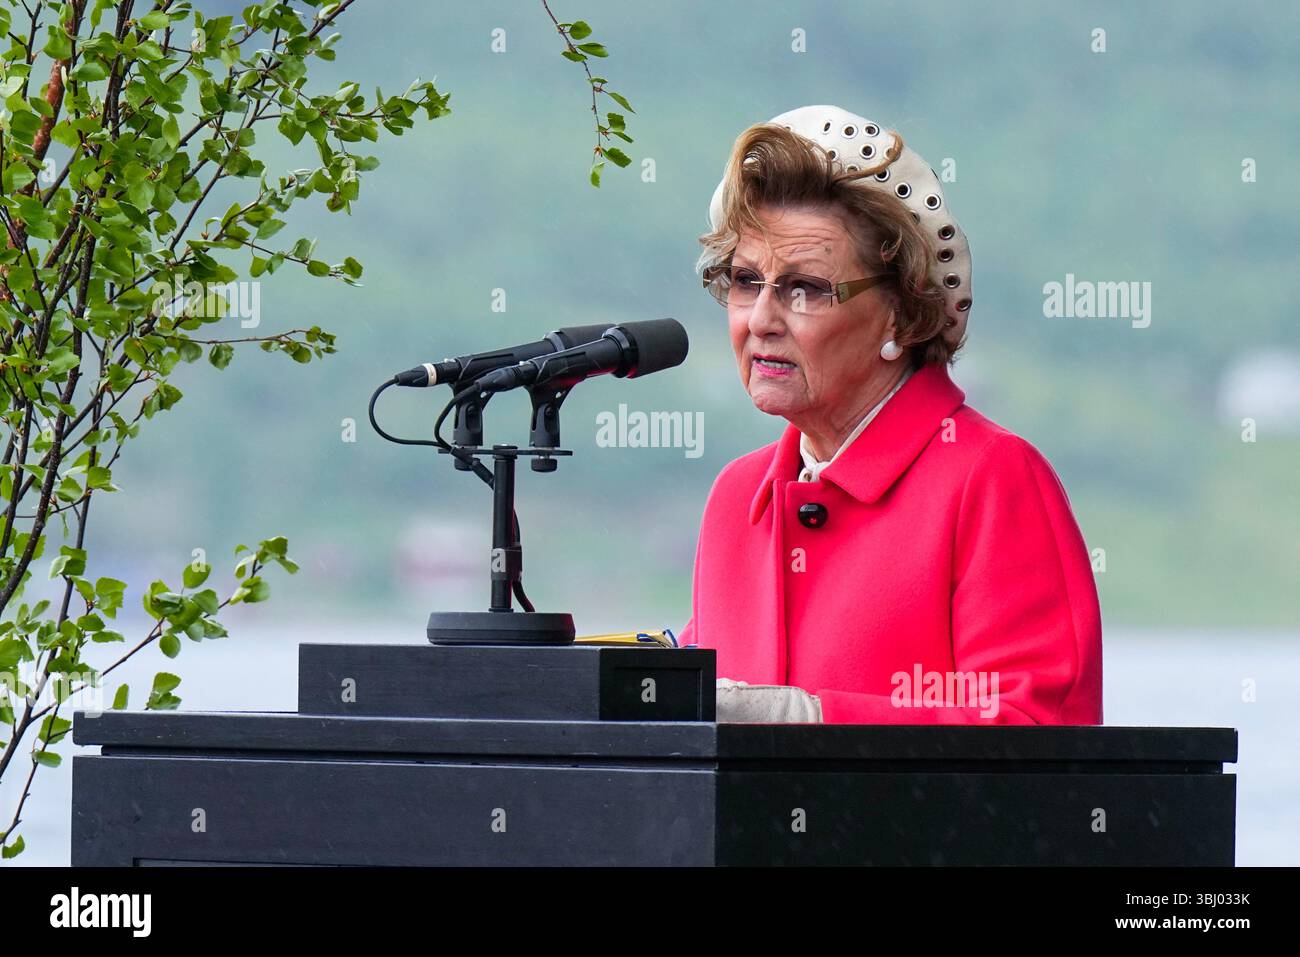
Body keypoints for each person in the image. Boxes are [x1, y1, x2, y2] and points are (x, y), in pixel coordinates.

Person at [678, 105, 1102, 725]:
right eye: (744, 281)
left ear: (900, 315)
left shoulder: (992, 476)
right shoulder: (737, 496)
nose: (760, 320)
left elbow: (1034, 733)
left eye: (805, 289)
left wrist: (813, 721)